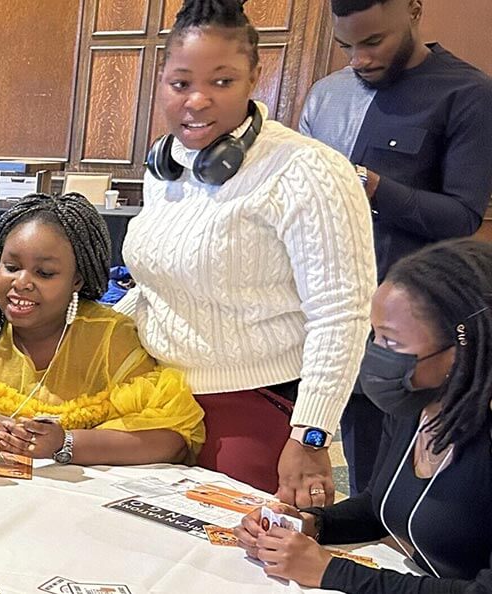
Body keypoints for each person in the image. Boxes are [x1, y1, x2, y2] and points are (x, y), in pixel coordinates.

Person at [117, 0, 377, 504]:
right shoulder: (166, 166)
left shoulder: (307, 170)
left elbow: (342, 314)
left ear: (255, 77)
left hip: (251, 405)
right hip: (155, 396)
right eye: (180, 83)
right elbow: (159, 284)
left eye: (222, 81)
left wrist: (312, 435)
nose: (196, 101)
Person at [299, 0, 492, 496]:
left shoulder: (468, 93)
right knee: (357, 478)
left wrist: (374, 187)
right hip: (329, 310)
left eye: (373, 42)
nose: (359, 59)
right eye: (346, 46)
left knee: (406, 486)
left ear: (413, 10)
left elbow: (462, 217)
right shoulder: (326, 95)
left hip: (412, 329)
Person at [0, 193, 204, 465]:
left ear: (77, 280)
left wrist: (66, 443)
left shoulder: (108, 336)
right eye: (10, 267)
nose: (21, 283)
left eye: (44, 274)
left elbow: (171, 438)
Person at [235, 238, 492, 592]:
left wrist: (331, 572)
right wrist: (310, 524)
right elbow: (378, 507)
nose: (374, 355)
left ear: (464, 348)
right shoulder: (415, 406)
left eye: (392, 342)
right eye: (375, 336)